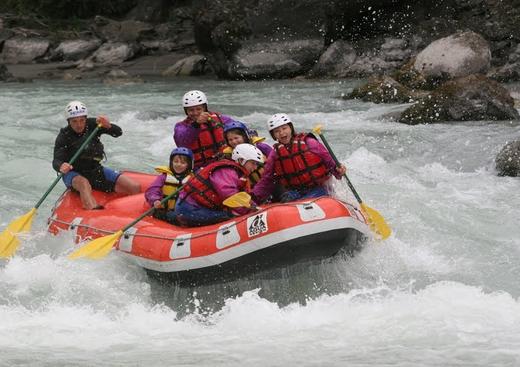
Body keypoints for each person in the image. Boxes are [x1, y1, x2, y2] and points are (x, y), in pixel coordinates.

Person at [52, 101, 140, 210]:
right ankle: (91, 211)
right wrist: (61, 166)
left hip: (95, 170)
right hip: (74, 173)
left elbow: (118, 132)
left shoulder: (94, 124)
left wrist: (109, 126)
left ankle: (134, 214)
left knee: (134, 187)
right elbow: (56, 161)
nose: (79, 124)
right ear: (69, 121)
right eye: (74, 121)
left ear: (86, 118)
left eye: (81, 120)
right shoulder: (64, 135)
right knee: (84, 184)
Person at [252, 113, 346, 203]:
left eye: (284, 128)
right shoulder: (275, 154)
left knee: (305, 201)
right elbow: (266, 178)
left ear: (291, 128)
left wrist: (338, 170)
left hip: (320, 188)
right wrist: (253, 197)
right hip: (295, 192)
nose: (281, 133)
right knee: (286, 200)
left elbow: (329, 162)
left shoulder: (310, 143)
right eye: (277, 131)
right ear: (273, 135)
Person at [173, 144, 265, 227]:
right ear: (241, 160)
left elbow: (244, 197)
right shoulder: (227, 171)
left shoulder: (238, 174)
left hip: (200, 207)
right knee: (229, 217)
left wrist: (254, 207)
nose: (255, 167)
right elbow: (230, 196)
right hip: (190, 209)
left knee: (232, 213)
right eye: (253, 163)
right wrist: (250, 211)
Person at [173, 90, 235, 170]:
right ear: (186, 111)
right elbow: (182, 142)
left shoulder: (221, 119)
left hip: (225, 162)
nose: (195, 113)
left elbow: (240, 131)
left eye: (198, 109)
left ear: (204, 108)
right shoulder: (181, 126)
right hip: (199, 169)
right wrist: (196, 124)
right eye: (191, 110)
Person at [144, 147, 193, 224]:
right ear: (171, 162)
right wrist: (155, 200)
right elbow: (152, 190)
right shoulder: (163, 177)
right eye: (176, 161)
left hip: (182, 211)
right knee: (174, 216)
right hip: (163, 212)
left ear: (189, 165)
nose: (178, 164)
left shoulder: (192, 179)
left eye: (183, 163)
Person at [223, 120, 272, 187]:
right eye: (230, 140)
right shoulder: (229, 156)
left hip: (269, 182)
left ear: (244, 136)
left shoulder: (261, 147)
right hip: (250, 188)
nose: (234, 142)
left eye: (236, 138)